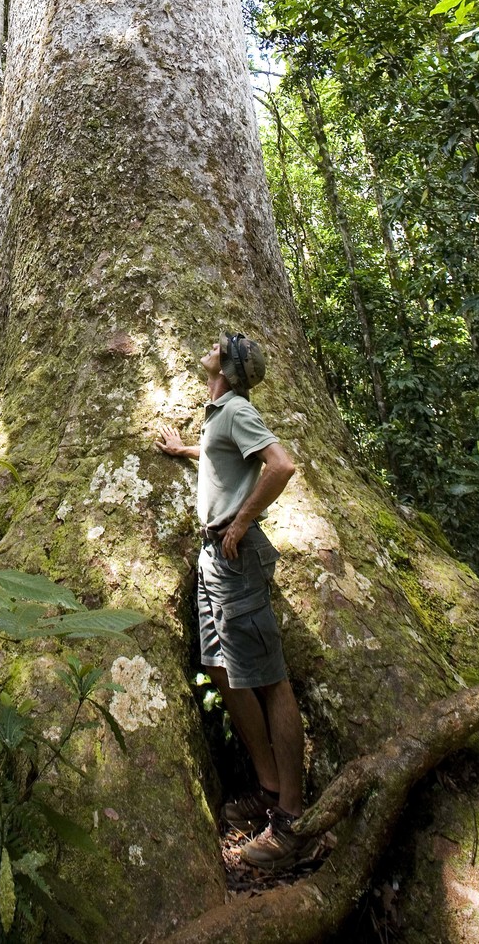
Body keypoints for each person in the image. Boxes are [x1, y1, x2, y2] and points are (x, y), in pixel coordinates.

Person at [155, 333, 317, 872]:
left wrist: (242, 521)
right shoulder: (220, 414)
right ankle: (268, 787)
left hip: (236, 555)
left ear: (227, 367)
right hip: (213, 556)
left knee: (270, 680)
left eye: (220, 346)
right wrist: (186, 449)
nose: (211, 347)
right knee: (220, 667)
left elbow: (281, 465)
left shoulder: (239, 410)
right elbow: (224, 457)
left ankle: (292, 820)